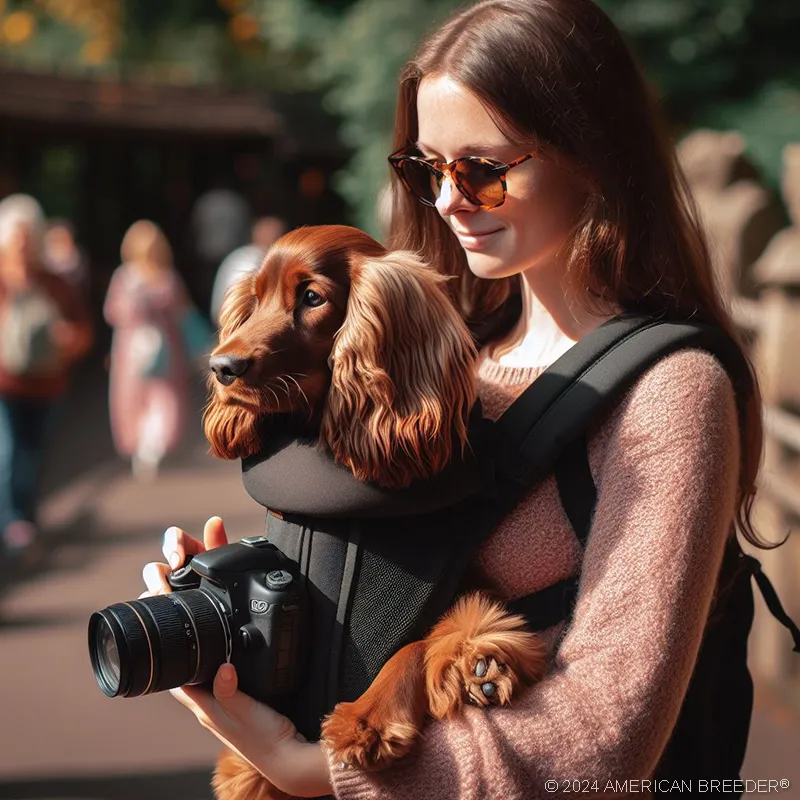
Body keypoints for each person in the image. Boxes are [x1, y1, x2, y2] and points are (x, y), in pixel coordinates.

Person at [140, 0, 770, 796]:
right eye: (428, 169)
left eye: (483, 170)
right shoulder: (440, 355)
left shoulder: (669, 392)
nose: (446, 201)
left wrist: (314, 772)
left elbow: (607, 736)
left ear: (592, 155)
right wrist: (232, 601)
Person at [0, 194, 93, 565]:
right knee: (8, 452)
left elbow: (83, 331)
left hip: (46, 385)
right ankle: (13, 523)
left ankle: (25, 516)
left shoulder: (55, 283)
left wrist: (67, 342)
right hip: (5, 384)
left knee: (33, 453)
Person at [104, 220, 197, 482]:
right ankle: (144, 445)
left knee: (163, 401)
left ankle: (153, 444)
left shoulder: (165, 277)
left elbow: (182, 313)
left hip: (163, 350)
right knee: (136, 401)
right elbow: (114, 312)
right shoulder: (127, 277)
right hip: (133, 352)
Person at [209, 215, 286, 325]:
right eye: (276, 234)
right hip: (235, 324)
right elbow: (242, 304)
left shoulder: (242, 255)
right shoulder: (252, 259)